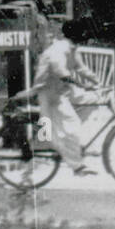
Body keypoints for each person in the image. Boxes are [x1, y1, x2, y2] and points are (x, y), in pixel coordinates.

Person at [15, 19, 102, 176]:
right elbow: (62, 73)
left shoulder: (72, 49)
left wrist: (97, 82)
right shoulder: (58, 50)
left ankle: (65, 145)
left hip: (62, 91)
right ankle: (77, 166)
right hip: (49, 93)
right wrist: (83, 85)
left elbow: (81, 68)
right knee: (70, 126)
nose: (87, 37)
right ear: (79, 34)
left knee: (91, 103)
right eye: (85, 33)